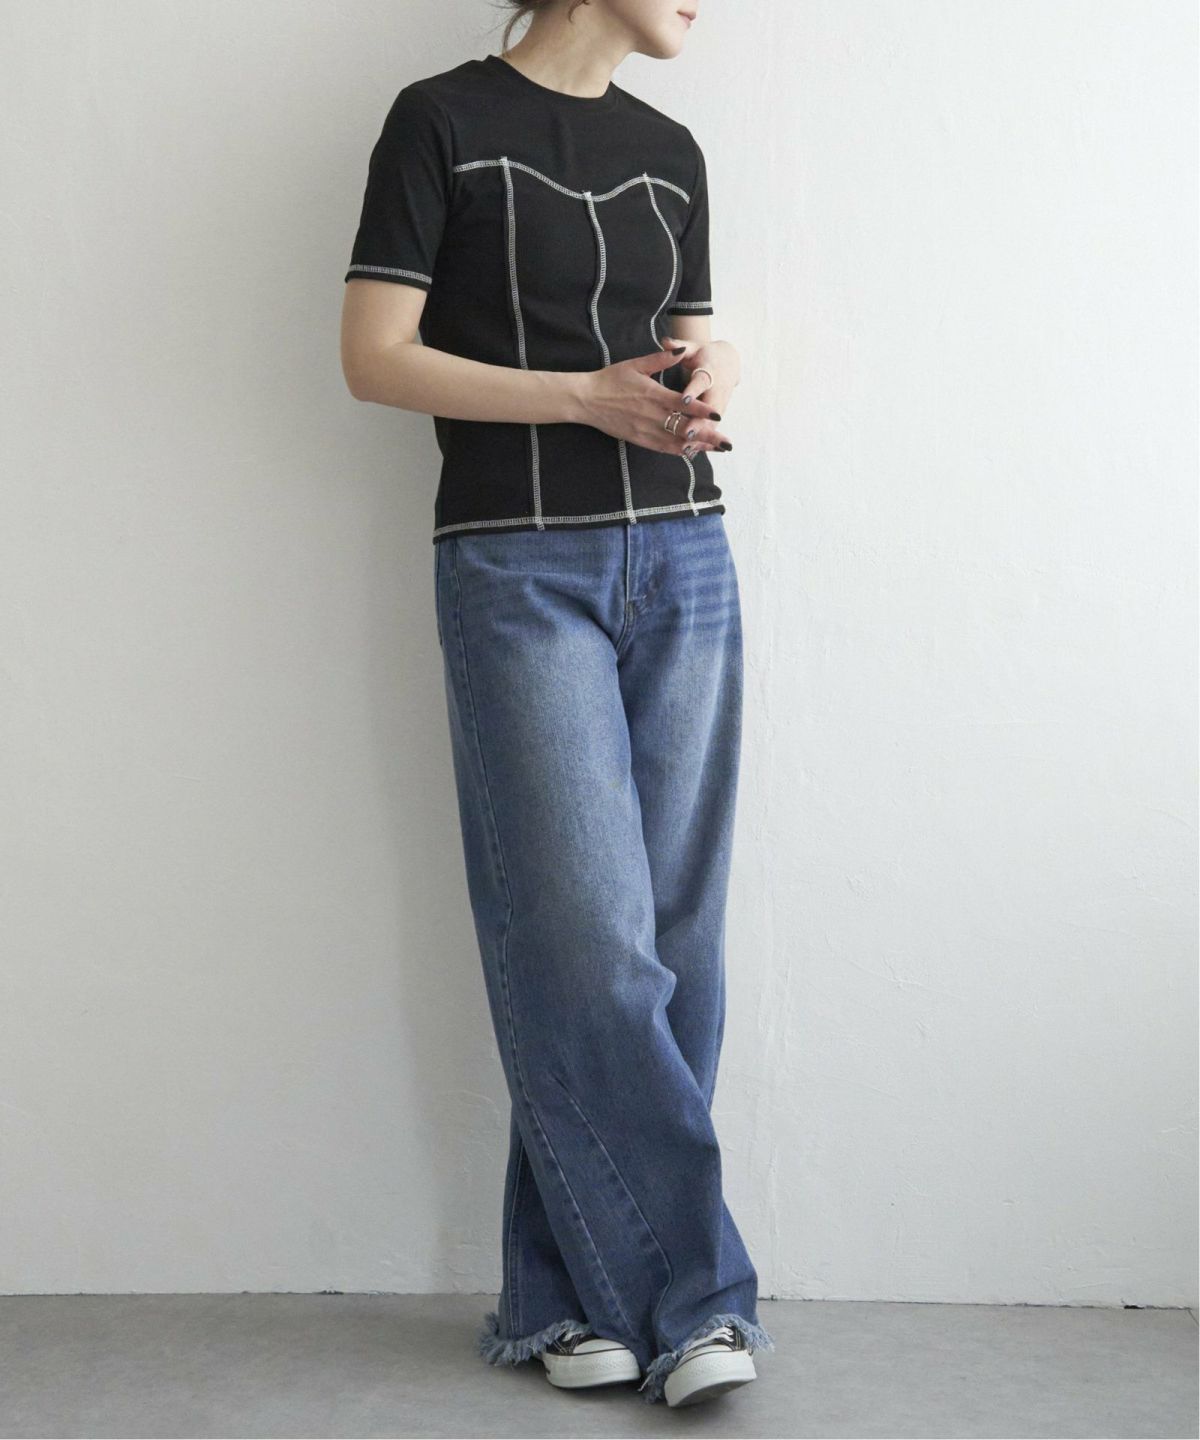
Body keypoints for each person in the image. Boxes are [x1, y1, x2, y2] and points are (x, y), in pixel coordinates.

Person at [340, 0, 773, 1409]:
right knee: (588, 945)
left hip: (686, 553)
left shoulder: (671, 149)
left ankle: (558, 1298)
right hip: (518, 563)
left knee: (675, 946)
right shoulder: (440, 121)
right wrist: (584, 399)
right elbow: (374, 356)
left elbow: (689, 340)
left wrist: (710, 372)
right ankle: (696, 1302)